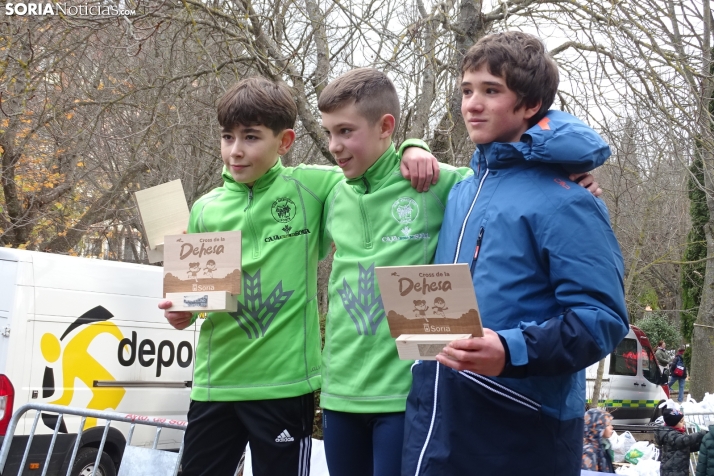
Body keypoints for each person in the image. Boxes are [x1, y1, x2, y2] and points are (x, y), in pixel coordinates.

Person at [317, 67, 602, 476]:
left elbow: (499, 184)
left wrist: (571, 180)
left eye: (345, 132)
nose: (334, 146)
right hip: (338, 393)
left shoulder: (442, 184)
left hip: (405, 392)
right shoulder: (329, 190)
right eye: (329, 133)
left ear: (385, 127)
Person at [157, 77, 434, 476]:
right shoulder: (204, 209)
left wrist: (414, 147)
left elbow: (374, 168)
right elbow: (198, 301)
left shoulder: (315, 187)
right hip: (214, 385)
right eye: (227, 137)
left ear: (284, 141)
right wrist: (182, 314)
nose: (236, 151)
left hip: (286, 388)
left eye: (251, 137)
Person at [401, 31, 629, 476]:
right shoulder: (463, 190)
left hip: (520, 421)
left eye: (491, 91)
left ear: (529, 106)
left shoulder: (569, 198)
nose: (472, 104)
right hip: (438, 410)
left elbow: (601, 318)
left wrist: (510, 349)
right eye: (467, 90)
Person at [655, 407, 705, 476]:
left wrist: (703, 443)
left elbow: (687, 447)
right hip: (671, 472)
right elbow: (684, 440)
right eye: (681, 421)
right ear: (673, 423)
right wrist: (702, 433)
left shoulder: (677, 433)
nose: (684, 423)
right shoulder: (670, 435)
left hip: (681, 471)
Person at [582, 408, 615, 473]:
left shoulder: (602, 446)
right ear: (597, 428)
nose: (612, 427)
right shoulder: (589, 452)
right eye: (608, 425)